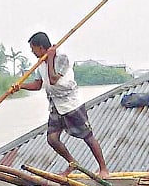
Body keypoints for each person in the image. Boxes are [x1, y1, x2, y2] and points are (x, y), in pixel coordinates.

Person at [10, 32, 109, 177]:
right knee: (52, 139)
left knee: (87, 136)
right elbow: (38, 85)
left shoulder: (61, 58)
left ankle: (103, 169)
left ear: (41, 47)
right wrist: (20, 86)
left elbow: (53, 79)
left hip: (71, 104)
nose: (32, 52)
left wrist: (50, 58)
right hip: (56, 105)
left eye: (33, 49)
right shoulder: (40, 64)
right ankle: (72, 163)